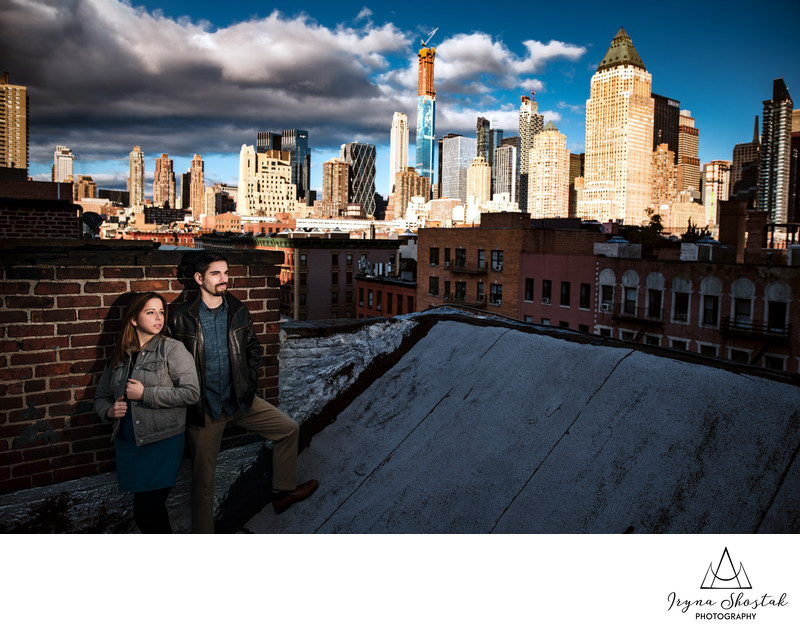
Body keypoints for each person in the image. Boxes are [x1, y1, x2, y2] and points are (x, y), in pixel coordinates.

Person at [168, 252, 318, 533]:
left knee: (288, 429)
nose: (224, 279)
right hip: (204, 410)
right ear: (199, 278)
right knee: (203, 485)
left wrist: (249, 383)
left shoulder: (238, 310)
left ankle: (282, 493)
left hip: (240, 399)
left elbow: (252, 349)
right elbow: (169, 365)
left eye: (226, 272)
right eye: (216, 274)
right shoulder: (180, 319)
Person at [94, 292, 200, 533]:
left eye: (161, 312)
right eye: (150, 312)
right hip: (130, 443)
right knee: (149, 513)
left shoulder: (172, 349)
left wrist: (146, 394)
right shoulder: (120, 354)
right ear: (133, 319)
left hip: (162, 442)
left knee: (147, 513)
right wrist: (109, 411)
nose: (158, 318)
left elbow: (192, 393)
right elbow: (100, 397)